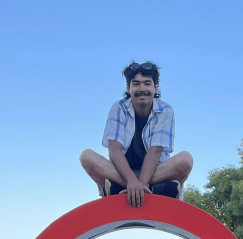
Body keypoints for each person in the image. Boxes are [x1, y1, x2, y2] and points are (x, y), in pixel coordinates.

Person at [79, 61, 193, 207]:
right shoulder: (119, 108)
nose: (142, 88)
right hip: (122, 173)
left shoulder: (165, 110)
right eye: (136, 84)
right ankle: (141, 188)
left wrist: (141, 183)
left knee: (185, 160)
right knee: (87, 156)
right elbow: (114, 150)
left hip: (155, 173)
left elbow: (155, 150)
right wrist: (132, 181)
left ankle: (133, 188)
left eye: (147, 83)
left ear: (155, 87)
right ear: (128, 88)